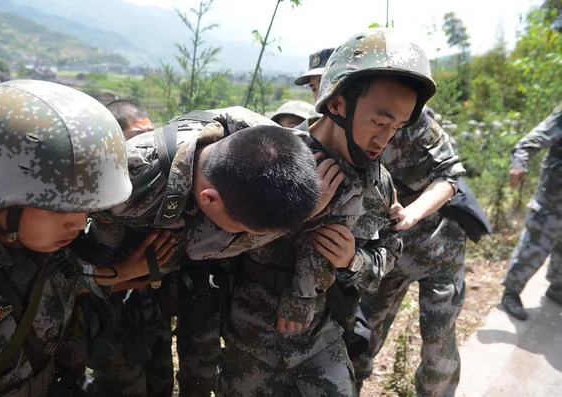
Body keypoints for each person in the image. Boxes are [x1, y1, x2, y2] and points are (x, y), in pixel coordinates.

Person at [217, 28, 436, 396]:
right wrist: (296, 213)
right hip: (250, 333)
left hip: (322, 337)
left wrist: (354, 260)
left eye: (397, 128)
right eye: (379, 122)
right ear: (337, 103)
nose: (384, 140)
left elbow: (388, 252)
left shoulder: (379, 184)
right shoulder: (271, 155)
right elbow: (214, 240)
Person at [81, 106, 328, 396]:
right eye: (243, 232)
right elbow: (59, 263)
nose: (248, 239)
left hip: (185, 283)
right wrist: (116, 273)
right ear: (209, 200)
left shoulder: (271, 151)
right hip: (123, 286)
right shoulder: (127, 179)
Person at [0, 80, 174, 397]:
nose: (78, 224)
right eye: (61, 209)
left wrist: (125, 272)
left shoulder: (49, 249)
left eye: (87, 210)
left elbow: (73, 281)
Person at [352, 106, 467, 397]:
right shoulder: (332, 123)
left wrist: (411, 214)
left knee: (437, 349)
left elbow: (449, 175)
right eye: (315, 86)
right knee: (361, 336)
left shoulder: (408, 115)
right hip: (383, 249)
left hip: (436, 245)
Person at [80, 100, 175, 397]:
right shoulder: (93, 196)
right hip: (112, 323)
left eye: (151, 133)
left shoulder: (158, 191)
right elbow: (70, 274)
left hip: (153, 312)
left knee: (160, 384)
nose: (146, 143)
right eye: (138, 135)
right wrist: (120, 275)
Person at [501, 101, 562, 321]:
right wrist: (519, 163)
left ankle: (557, 288)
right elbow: (528, 143)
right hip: (552, 202)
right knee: (534, 247)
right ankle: (511, 293)